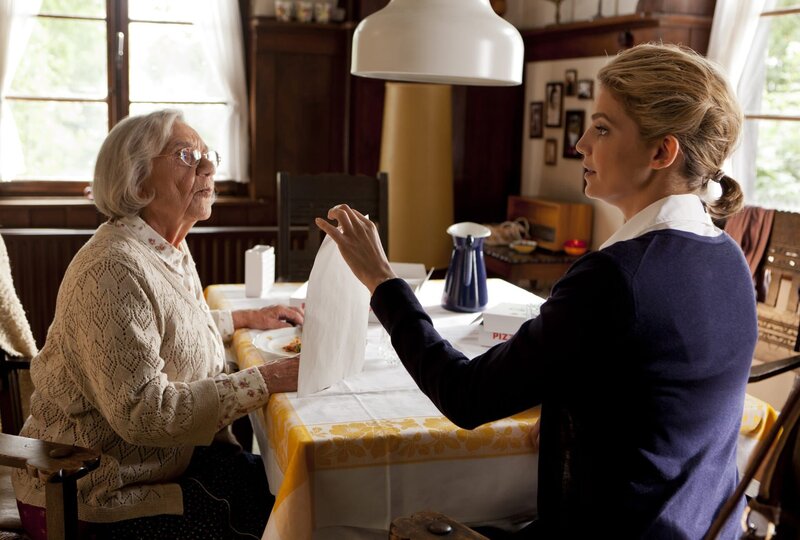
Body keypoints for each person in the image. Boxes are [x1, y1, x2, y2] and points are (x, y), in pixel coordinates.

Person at [316, 43, 756, 539]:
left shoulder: (614, 278)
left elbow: (465, 396)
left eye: (603, 128)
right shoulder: (727, 258)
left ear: (662, 152)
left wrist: (382, 280)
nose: (581, 144)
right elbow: (651, 392)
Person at [12, 110, 303, 540]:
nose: (208, 168)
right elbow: (144, 412)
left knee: (285, 491)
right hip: (92, 489)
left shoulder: (167, 249)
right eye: (187, 156)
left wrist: (239, 319)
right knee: (277, 515)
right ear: (139, 182)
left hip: (160, 465)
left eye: (208, 156)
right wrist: (269, 378)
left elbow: (165, 331)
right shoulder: (111, 268)